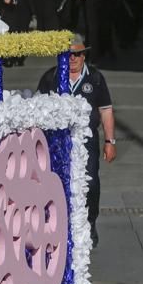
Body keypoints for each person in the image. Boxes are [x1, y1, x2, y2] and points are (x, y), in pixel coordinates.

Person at [37, 35, 115, 246]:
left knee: (91, 183)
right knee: (58, 184)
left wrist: (110, 141)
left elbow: (106, 110)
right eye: (68, 55)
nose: (73, 59)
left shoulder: (95, 78)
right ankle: (59, 226)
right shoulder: (50, 78)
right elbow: (37, 108)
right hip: (57, 142)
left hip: (87, 141)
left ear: (84, 55)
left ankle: (89, 223)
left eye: (77, 54)